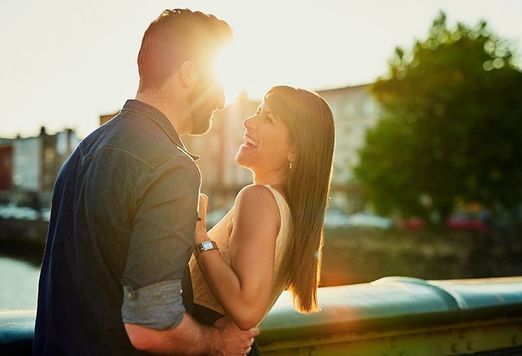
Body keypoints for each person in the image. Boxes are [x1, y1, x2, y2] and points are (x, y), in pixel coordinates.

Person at [34, 9, 258, 355]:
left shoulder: (83, 152)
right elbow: (151, 326)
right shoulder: (171, 166)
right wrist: (217, 342)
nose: (221, 100)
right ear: (189, 74)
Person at [190, 86, 336, 354]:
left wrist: (199, 235)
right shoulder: (288, 211)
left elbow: (246, 310)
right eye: (258, 111)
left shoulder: (258, 198)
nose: (248, 122)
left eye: (267, 119)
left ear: (296, 149)